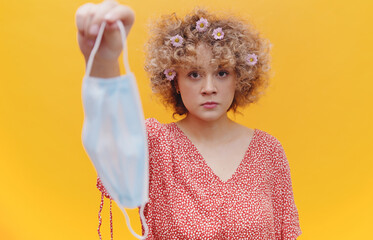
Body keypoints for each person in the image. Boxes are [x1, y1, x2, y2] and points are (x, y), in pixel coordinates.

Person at [76, 0, 302, 239]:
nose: (209, 88)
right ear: (175, 81)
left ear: (240, 77)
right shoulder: (156, 144)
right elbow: (113, 158)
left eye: (222, 73)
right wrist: (103, 60)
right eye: (194, 74)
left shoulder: (268, 151)